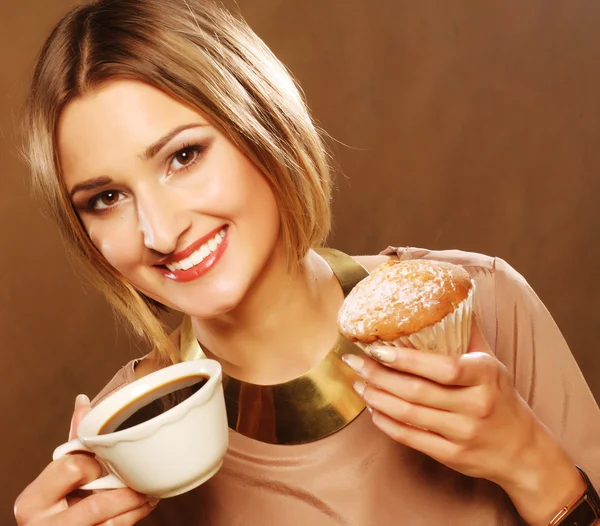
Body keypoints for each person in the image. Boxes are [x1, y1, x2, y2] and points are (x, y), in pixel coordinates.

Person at [13, 1, 600, 525]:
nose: (160, 232)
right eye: (106, 199)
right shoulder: (120, 450)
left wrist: (531, 463)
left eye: (184, 155)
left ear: (262, 122)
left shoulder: (483, 304)